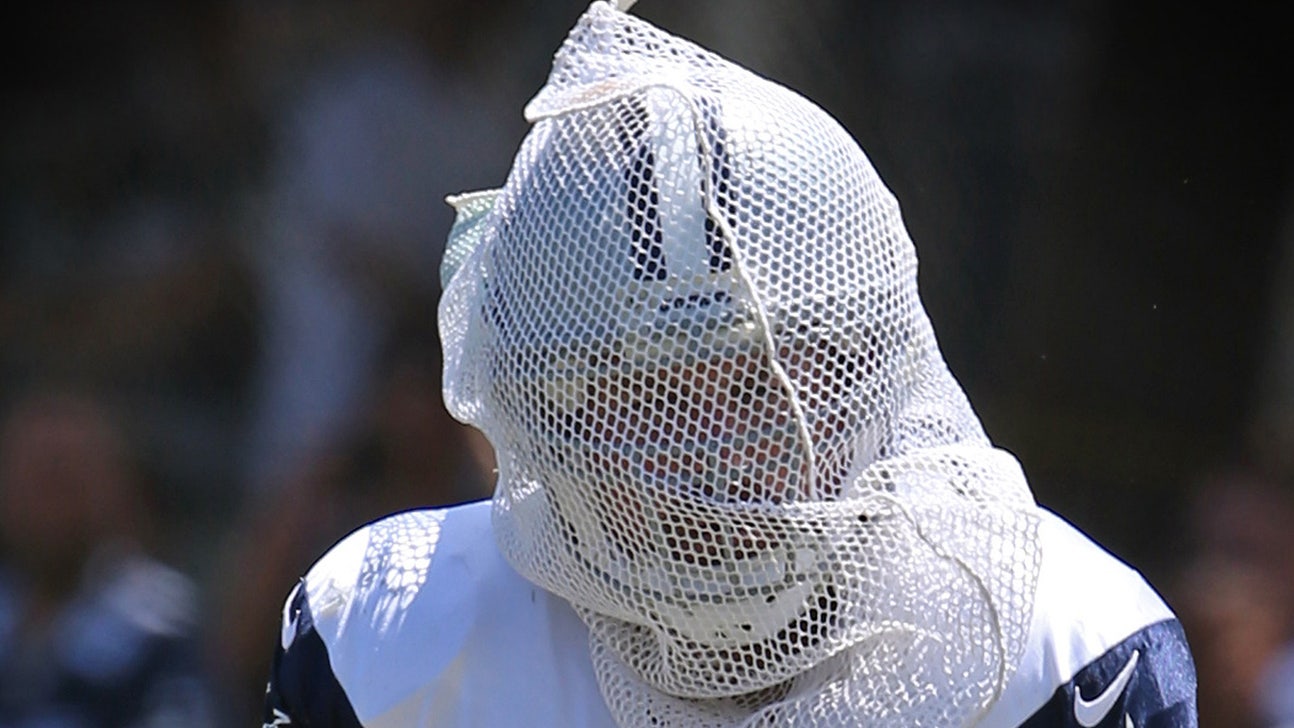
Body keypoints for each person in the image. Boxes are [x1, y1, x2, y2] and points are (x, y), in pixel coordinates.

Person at [263, 2, 1199, 726]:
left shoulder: (1061, 650)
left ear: (866, 373)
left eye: (764, 387)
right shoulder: (387, 631)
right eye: (646, 397)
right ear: (543, 410)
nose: (716, 458)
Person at [0, 387, 217, 727]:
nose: (50, 506)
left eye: (66, 480)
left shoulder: (159, 626)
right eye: (34, 479)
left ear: (114, 489)